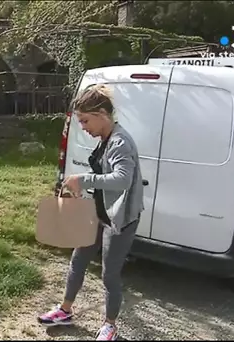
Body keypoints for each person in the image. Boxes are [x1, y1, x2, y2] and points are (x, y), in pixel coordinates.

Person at [37, 84, 144, 341]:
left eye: (85, 121)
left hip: (119, 218)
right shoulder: (104, 139)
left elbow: (122, 180)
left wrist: (83, 179)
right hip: (97, 212)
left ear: (102, 114)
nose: (83, 127)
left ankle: (110, 326)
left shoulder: (120, 142)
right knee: (78, 261)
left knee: (109, 274)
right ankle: (65, 311)